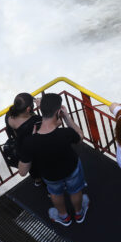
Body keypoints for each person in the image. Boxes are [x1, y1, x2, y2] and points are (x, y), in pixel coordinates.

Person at [17, 93, 89, 227]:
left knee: (55, 193)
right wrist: (67, 117)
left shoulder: (30, 142)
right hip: (71, 168)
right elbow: (80, 136)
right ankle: (79, 213)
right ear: (58, 112)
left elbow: (22, 172)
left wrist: (31, 143)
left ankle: (64, 217)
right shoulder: (65, 134)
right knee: (75, 190)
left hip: (50, 175)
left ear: (41, 110)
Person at [4, 92, 43, 185]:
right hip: (36, 148)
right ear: (29, 109)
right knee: (41, 164)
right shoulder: (35, 120)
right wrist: (42, 107)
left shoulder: (8, 115)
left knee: (31, 165)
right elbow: (51, 123)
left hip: (21, 147)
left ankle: (37, 181)